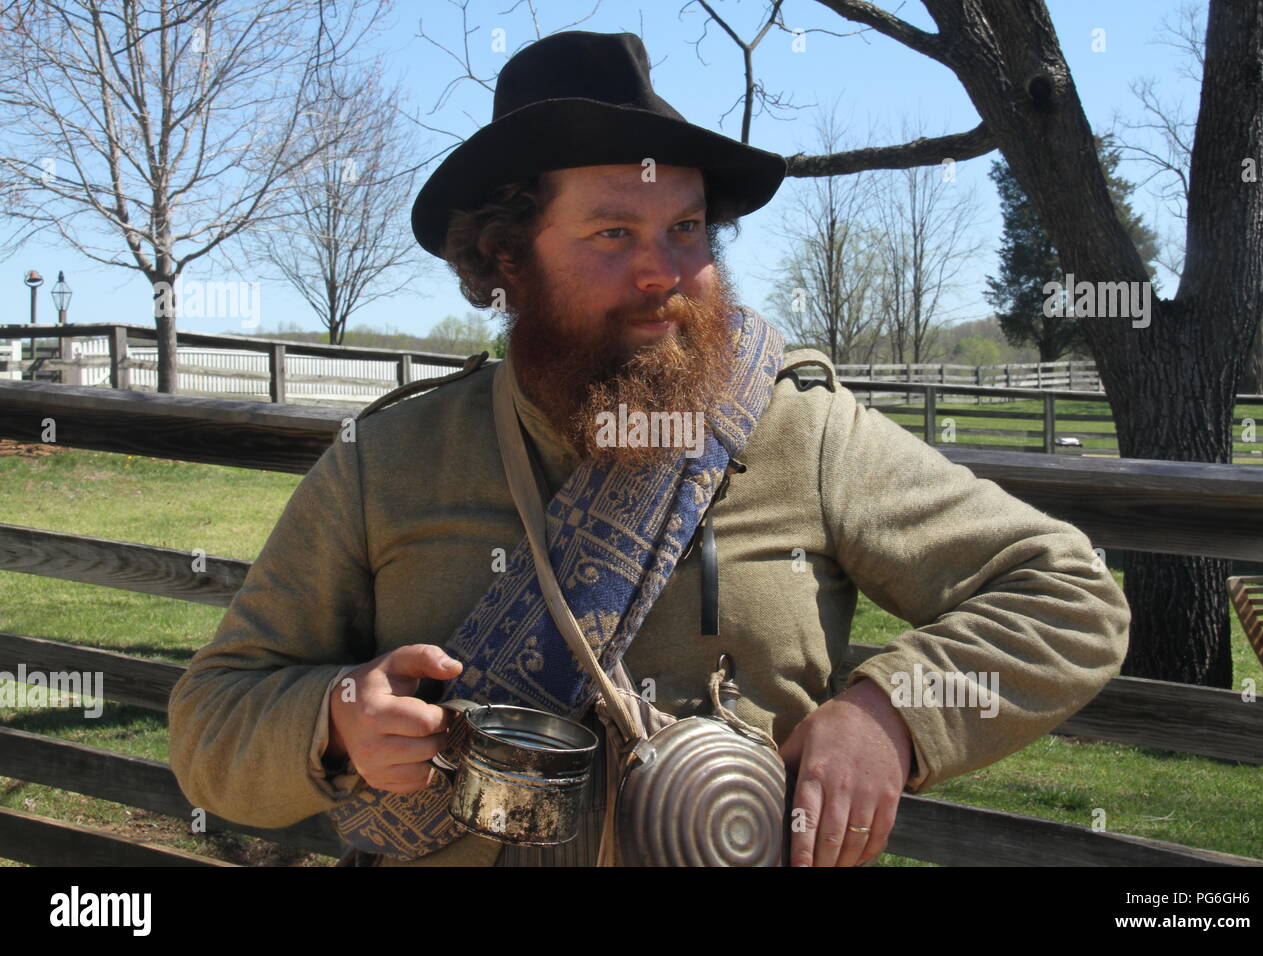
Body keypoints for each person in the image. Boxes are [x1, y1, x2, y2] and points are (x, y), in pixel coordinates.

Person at [167, 30, 1131, 868]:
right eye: (614, 231)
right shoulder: (389, 461)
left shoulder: (800, 430)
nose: (664, 272)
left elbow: (1070, 593)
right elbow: (210, 723)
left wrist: (889, 716)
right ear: (509, 257)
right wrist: (336, 718)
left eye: (686, 229)